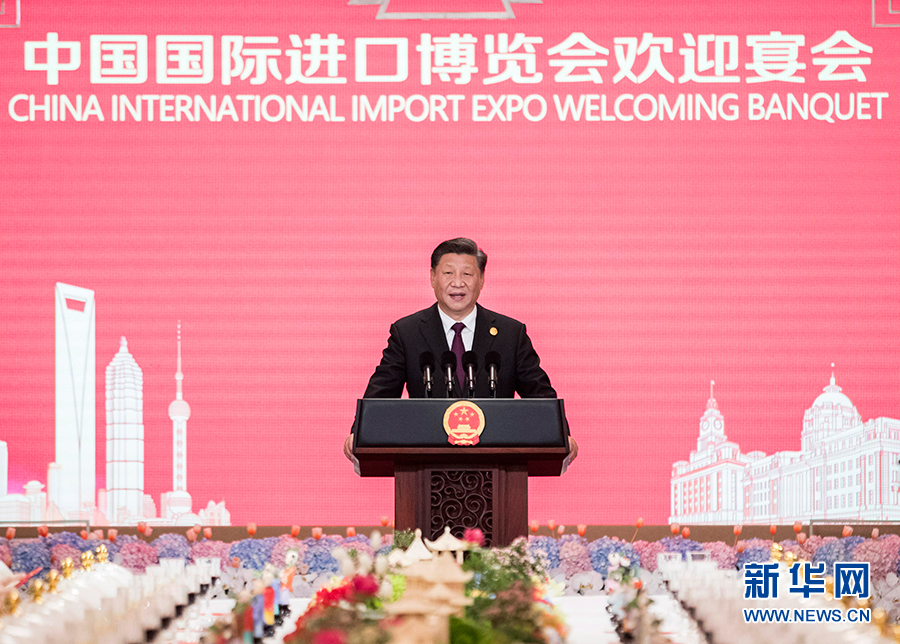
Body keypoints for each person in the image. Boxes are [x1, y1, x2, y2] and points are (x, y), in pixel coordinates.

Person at [344, 238, 577, 468]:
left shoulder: (510, 334)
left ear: (482, 279)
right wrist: (360, 433)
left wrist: (561, 435)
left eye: (467, 274)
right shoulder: (407, 332)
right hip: (424, 464)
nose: (457, 283)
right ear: (432, 277)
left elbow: (539, 394)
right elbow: (381, 393)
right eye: (448, 273)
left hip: (497, 465)